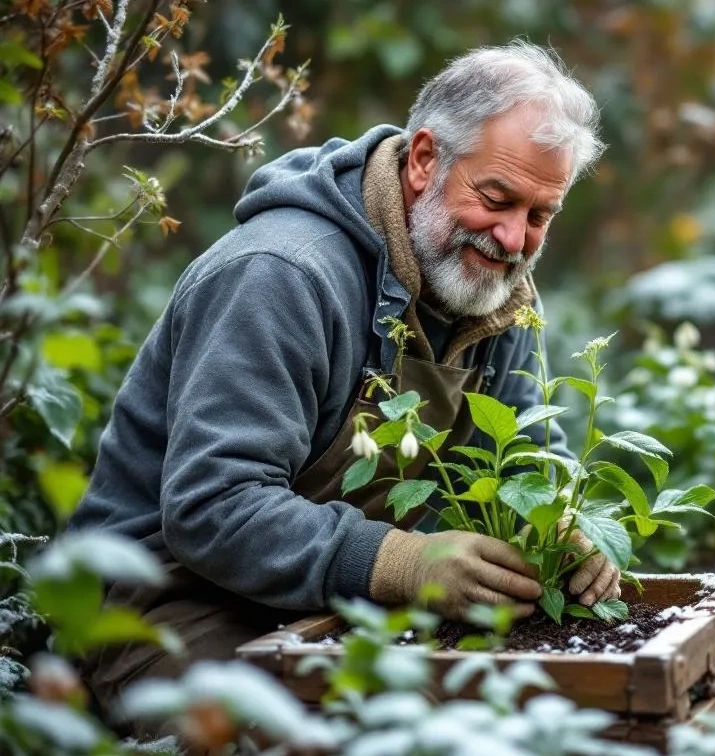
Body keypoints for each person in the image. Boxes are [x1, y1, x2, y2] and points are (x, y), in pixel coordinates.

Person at [69, 41, 616, 719]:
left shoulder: (492, 290)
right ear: (423, 161)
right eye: (496, 198)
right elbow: (212, 505)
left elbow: (528, 459)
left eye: (540, 216)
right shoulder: (283, 274)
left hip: (336, 605)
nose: (512, 239)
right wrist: (405, 564)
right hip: (165, 605)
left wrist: (566, 523)